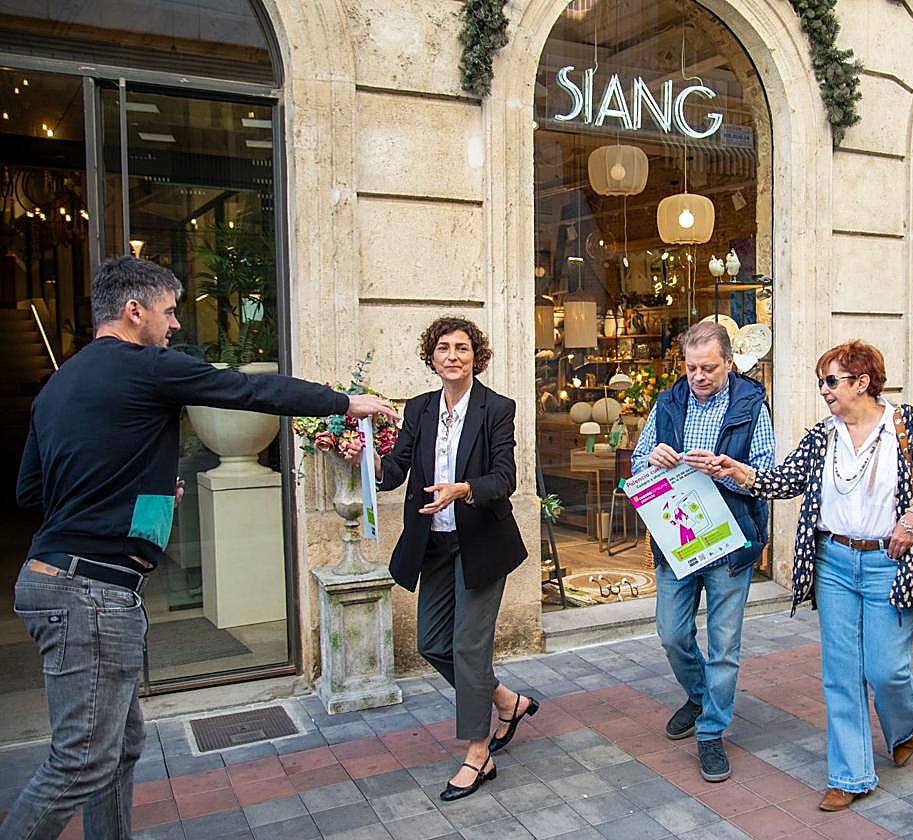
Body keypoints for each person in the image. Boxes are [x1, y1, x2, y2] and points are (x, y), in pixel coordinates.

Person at [6, 256, 398, 840]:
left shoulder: (58, 384)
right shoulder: (146, 366)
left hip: (56, 577)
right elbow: (245, 389)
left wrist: (147, 490)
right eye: (168, 313)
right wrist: (345, 403)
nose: (173, 327)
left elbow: (31, 490)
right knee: (82, 758)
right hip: (90, 592)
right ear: (134, 311)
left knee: (117, 750)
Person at [699, 340, 913, 811]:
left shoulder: (904, 427)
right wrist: (737, 471)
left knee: (886, 670)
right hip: (834, 563)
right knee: (841, 673)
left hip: (890, 564)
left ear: (862, 383)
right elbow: (785, 481)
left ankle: (904, 724)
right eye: (822, 381)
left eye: (831, 381)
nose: (824, 390)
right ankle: (851, 774)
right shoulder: (824, 436)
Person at [350, 316, 529, 802]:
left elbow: (505, 477)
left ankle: (478, 752)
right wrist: (361, 459)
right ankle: (505, 701)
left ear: (477, 356)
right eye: (444, 348)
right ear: (432, 356)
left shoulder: (497, 409)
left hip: (483, 545)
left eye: (463, 348)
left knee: (470, 649)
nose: (453, 356)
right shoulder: (421, 408)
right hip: (434, 545)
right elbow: (396, 469)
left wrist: (464, 489)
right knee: (432, 643)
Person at [630, 320, 775, 783]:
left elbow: (767, 473)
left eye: (708, 368)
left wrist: (728, 468)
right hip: (678, 539)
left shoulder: (751, 405)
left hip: (730, 539)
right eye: (691, 367)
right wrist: (653, 459)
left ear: (729, 362)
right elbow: (637, 462)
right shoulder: (669, 402)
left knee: (724, 644)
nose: (698, 376)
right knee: (671, 632)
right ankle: (699, 694)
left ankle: (711, 732)